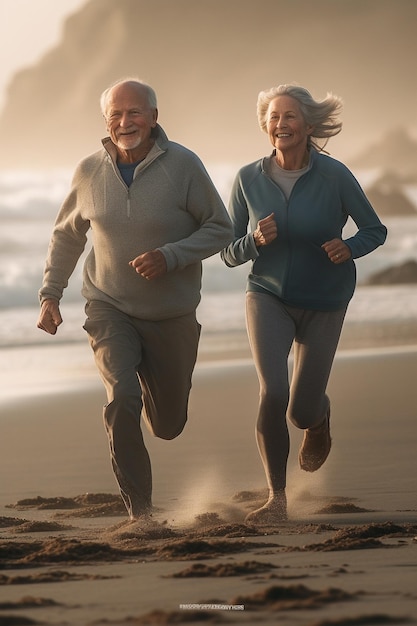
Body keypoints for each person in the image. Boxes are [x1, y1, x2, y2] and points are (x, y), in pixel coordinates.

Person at [37, 78, 233, 523]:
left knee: (167, 426)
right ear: (106, 121)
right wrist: (50, 293)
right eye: (116, 115)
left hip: (171, 314)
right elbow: (67, 235)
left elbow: (220, 227)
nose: (125, 122)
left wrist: (171, 256)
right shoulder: (88, 171)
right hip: (109, 307)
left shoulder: (183, 166)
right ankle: (140, 516)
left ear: (154, 118)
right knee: (121, 399)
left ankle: (154, 391)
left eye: (135, 113)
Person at [221, 84, 387, 524]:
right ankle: (277, 497)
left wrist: (348, 248)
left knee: (300, 410)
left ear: (309, 125)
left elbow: (375, 229)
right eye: (273, 117)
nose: (280, 124)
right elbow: (227, 250)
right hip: (267, 295)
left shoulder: (334, 175)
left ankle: (319, 418)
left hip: (325, 300)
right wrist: (254, 241)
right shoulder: (247, 179)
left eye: (289, 116)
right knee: (273, 392)